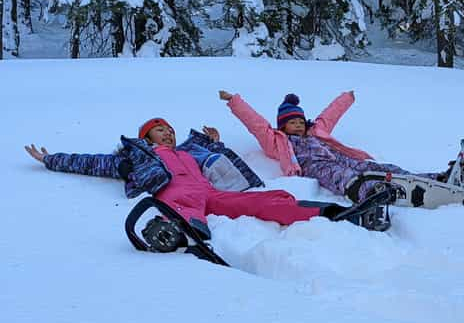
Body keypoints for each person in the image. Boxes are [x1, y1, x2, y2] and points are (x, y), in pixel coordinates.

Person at [24, 118, 375, 239]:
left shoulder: (189, 151)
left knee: (266, 200)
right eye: (160, 131)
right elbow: (93, 163)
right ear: (147, 137)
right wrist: (51, 159)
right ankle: (173, 231)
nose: (168, 134)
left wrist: (212, 140)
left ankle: (324, 212)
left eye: (170, 130)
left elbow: (217, 161)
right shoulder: (137, 157)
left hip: (210, 194)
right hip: (175, 195)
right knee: (184, 206)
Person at [218, 90, 464, 202]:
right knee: (343, 177)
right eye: (290, 122)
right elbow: (257, 124)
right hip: (315, 166)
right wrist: (235, 101)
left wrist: (346, 98)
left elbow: (330, 115)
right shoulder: (278, 142)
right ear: (282, 127)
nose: (296, 125)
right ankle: (369, 193)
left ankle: (438, 178)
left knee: (378, 167)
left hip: (341, 157)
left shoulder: (317, 131)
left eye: (299, 121)